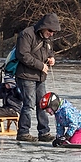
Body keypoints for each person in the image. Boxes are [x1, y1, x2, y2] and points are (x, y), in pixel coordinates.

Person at [8, 13, 60, 142]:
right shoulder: (27, 34)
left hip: (40, 76)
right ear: (44, 27)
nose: (52, 33)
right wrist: (40, 65)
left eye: (54, 31)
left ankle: (44, 132)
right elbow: (22, 55)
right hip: (26, 75)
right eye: (50, 30)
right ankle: (23, 132)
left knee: (43, 104)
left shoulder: (47, 37)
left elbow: (48, 50)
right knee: (29, 104)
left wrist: (51, 57)